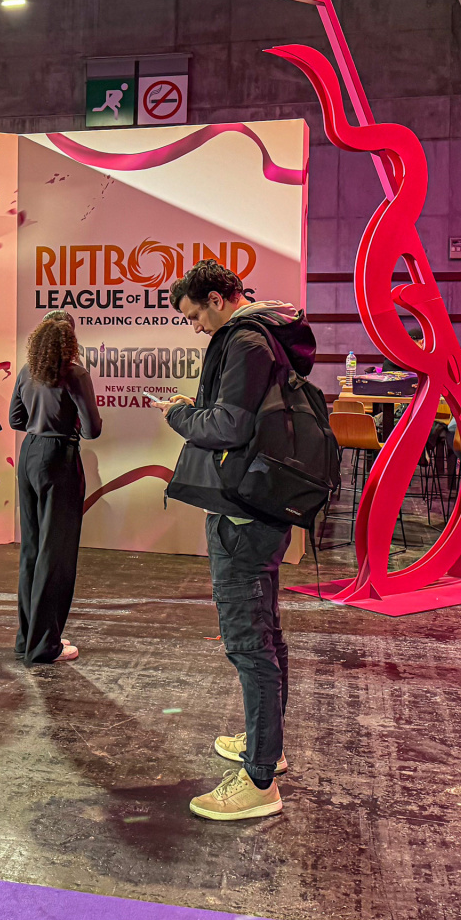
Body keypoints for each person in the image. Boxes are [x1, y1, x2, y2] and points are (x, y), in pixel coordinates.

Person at [152, 258, 315, 822]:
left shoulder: (244, 341)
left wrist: (180, 414)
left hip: (243, 513)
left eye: (195, 316)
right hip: (256, 504)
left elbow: (227, 427)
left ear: (218, 300)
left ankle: (259, 779)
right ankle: (267, 746)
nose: (196, 327)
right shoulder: (266, 334)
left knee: (249, 643)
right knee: (263, 632)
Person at [9, 316, 102, 665]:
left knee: (32, 550)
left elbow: (15, 419)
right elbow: (92, 429)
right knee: (56, 553)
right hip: (59, 458)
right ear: (70, 341)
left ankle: (28, 638)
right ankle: (45, 644)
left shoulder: (27, 371)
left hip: (29, 455)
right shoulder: (75, 374)